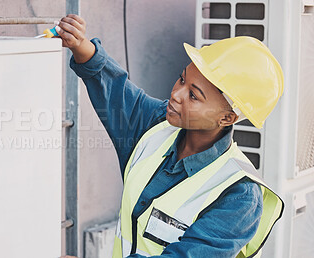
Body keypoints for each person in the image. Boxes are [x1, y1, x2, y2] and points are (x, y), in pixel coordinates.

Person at [56, 14, 284, 258]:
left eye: (194, 96)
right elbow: (117, 92)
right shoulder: (156, 125)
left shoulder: (239, 196)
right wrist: (82, 47)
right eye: (182, 79)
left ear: (227, 118)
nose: (176, 94)